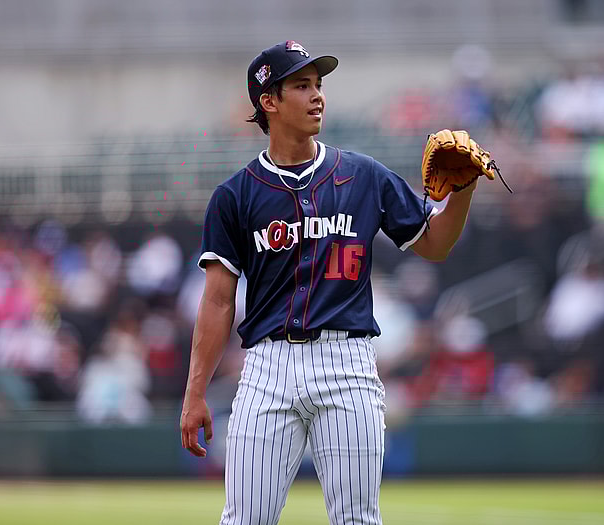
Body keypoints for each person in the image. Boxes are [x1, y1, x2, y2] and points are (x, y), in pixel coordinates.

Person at [179, 40, 478, 525]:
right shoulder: (234, 195)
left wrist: (461, 195)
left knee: (357, 519)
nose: (317, 95)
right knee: (244, 520)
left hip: (347, 364)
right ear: (269, 102)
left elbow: (434, 244)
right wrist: (195, 393)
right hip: (267, 367)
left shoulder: (363, 174)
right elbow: (216, 304)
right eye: (301, 85)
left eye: (319, 85)